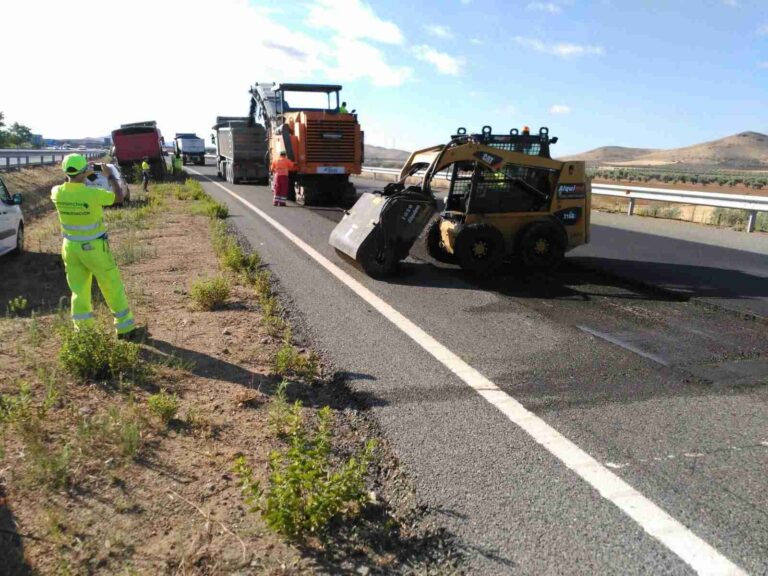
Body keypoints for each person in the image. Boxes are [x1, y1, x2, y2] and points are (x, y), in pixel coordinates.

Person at [51, 154, 138, 340]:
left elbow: (69, 184)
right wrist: (110, 176)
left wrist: (79, 175)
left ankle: (83, 331)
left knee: (79, 290)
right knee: (111, 285)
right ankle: (125, 328)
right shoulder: (93, 194)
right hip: (95, 248)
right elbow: (119, 197)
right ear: (84, 171)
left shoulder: (56, 192)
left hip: (70, 248)